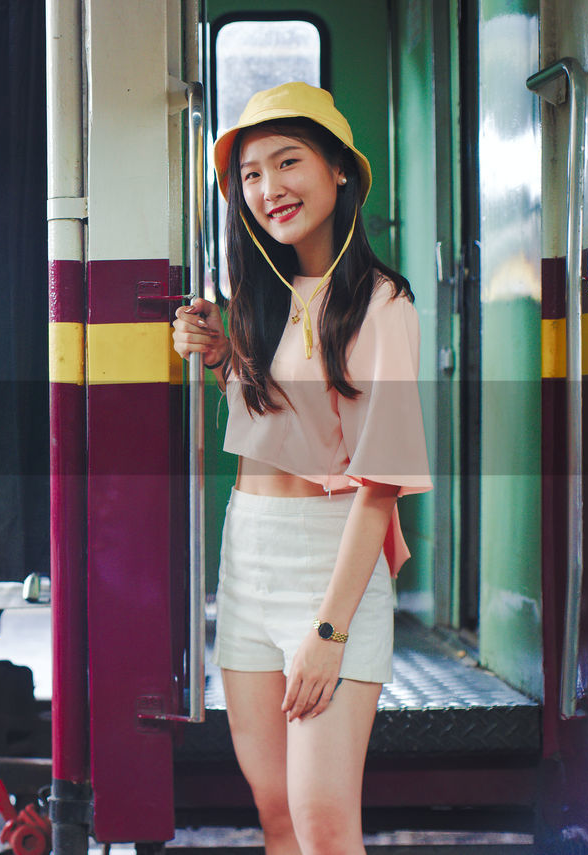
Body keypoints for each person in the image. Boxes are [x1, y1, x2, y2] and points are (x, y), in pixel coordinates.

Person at [172, 82, 432, 855]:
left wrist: (329, 629)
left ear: (340, 172)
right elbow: (287, 424)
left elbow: (378, 483)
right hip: (248, 556)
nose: (268, 188)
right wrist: (221, 354)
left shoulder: (384, 304)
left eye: (289, 163)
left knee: (324, 827)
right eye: (251, 174)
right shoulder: (256, 300)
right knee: (279, 819)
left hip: (332, 566)